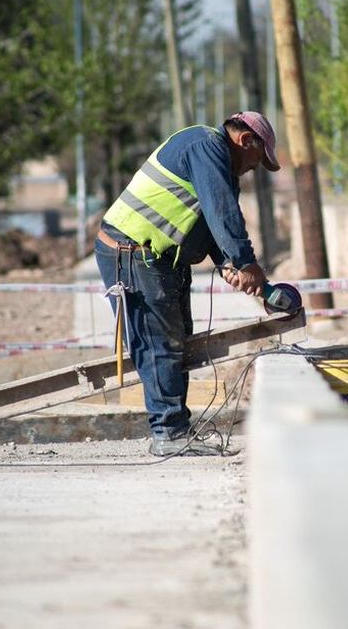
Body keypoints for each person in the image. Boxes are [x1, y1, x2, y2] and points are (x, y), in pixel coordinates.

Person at [95, 111, 279, 456]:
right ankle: (168, 433)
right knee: (159, 344)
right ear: (246, 140)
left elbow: (209, 223)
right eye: (256, 162)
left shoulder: (219, 164)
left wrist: (226, 263)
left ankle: (176, 428)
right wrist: (246, 263)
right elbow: (222, 212)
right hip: (133, 252)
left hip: (160, 258)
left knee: (177, 343)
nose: (253, 170)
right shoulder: (206, 145)